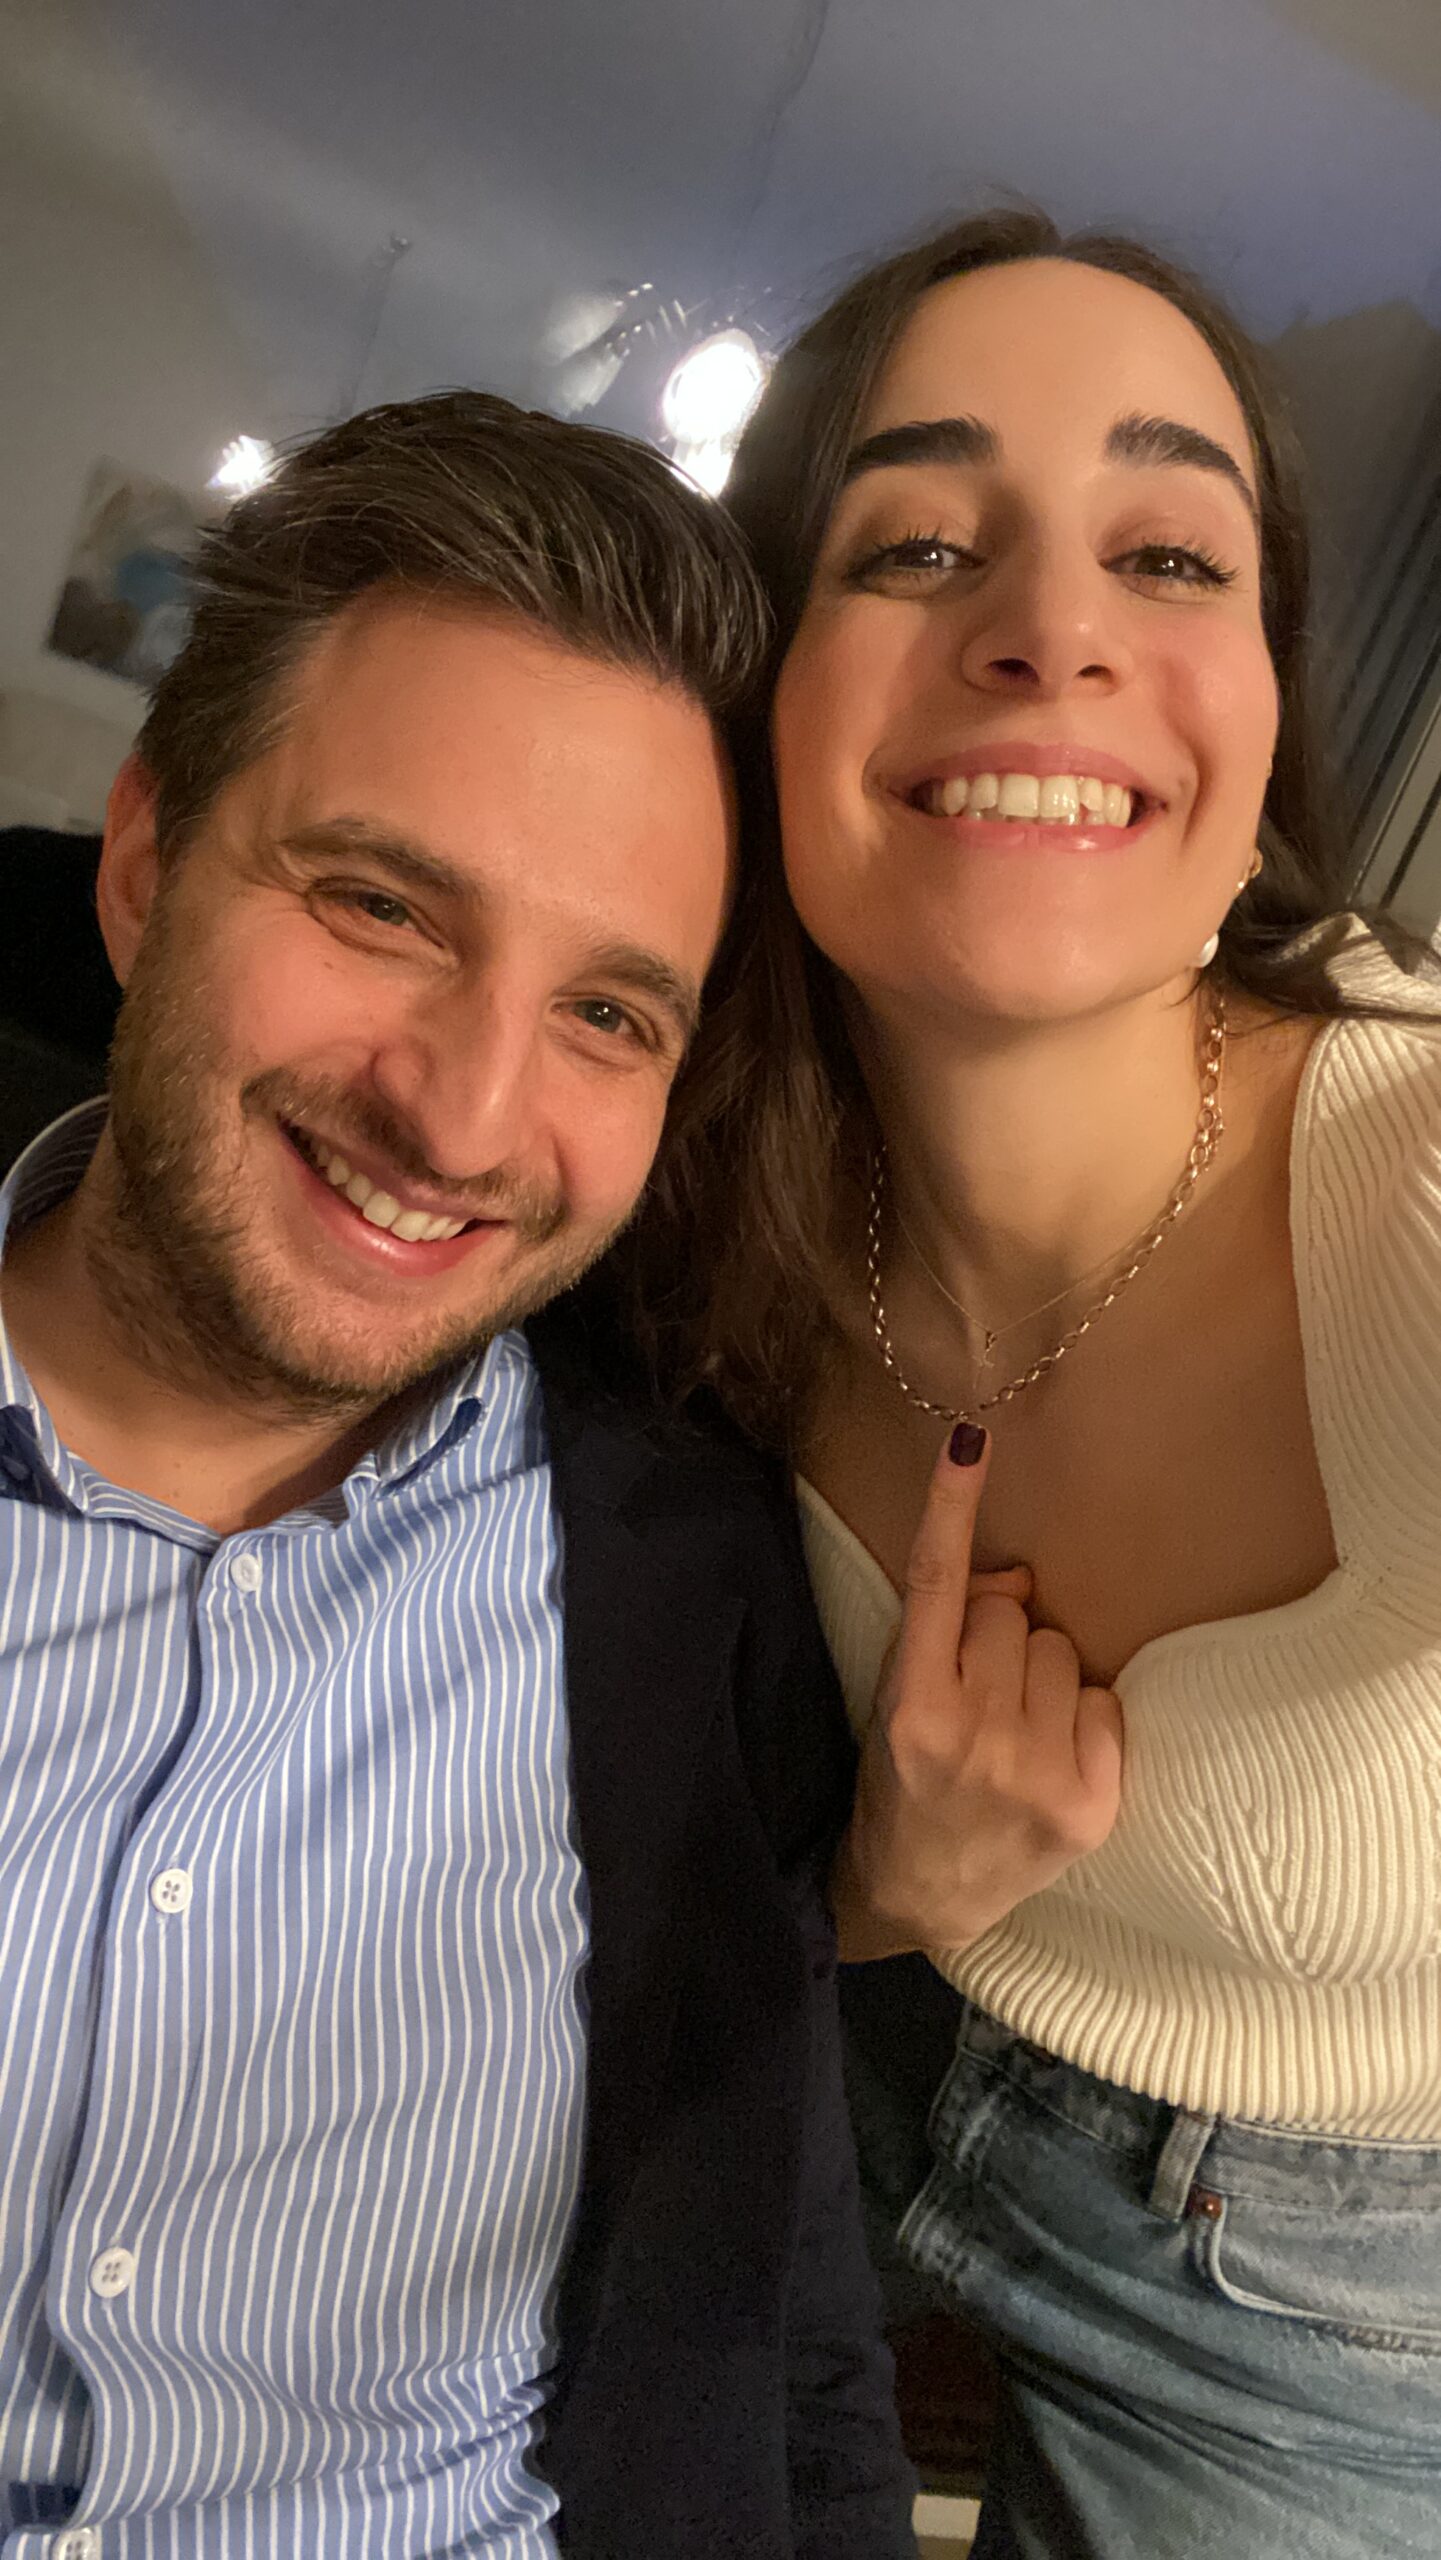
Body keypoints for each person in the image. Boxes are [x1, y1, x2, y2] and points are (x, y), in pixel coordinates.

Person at [0, 391, 924, 2560]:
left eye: (609, 1015)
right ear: (142, 863)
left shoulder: (710, 1603)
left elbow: (790, 2361)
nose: (464, 1114)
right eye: (381, 906)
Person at [632, 210, 1441, 2556]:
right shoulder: (673, 1187)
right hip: (840, 2055)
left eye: (1169, 555)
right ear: (763, 680)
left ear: (1260, 710)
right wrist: (873, 1883)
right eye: (914, 543)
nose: (1054, 628)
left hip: (1317, 2318)